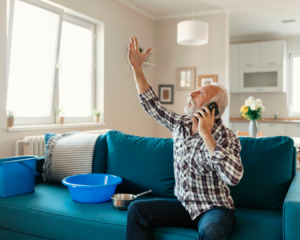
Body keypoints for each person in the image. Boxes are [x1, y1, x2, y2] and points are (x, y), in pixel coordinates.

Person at [126, 36, 244, 240]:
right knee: (137, 210)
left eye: (200, 93)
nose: (192, 93)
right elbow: (150, 104)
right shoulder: (179, 124)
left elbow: (233, 177)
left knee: (212, 231)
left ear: (212, 108)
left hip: (214, 208)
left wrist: (206, 135)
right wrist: (137, 68)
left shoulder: (226, 136)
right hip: (183, 206)